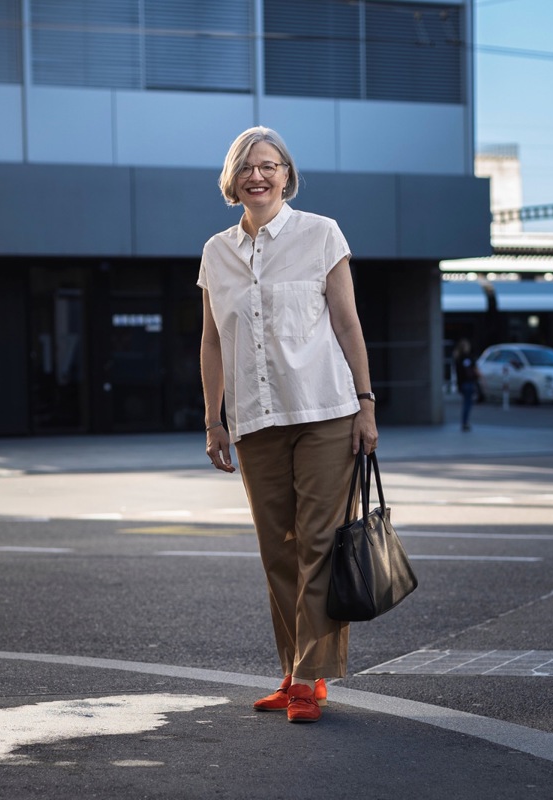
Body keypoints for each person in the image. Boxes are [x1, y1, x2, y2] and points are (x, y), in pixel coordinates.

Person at [198, 126, 378, 724]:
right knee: (278, 549)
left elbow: (348, 324)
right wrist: (213, 419)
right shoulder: (215, 252)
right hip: (253, 420)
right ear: (233, 178)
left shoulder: (321, 234)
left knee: (320, 544)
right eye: (247, 167)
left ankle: (306, 680)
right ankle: (296, 669)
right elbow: (212, 341)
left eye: (269, 165)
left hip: (325, 410)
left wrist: (366, 402)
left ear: (286, 174)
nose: (259, 175)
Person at [452, 339, 478, 431]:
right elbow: (473, 370)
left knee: (466, 403)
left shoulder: (458, 358)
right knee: (467, 403)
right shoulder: (466, 358)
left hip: (462, 384)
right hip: (468, 383)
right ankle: (465, 422)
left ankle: (464, 422)